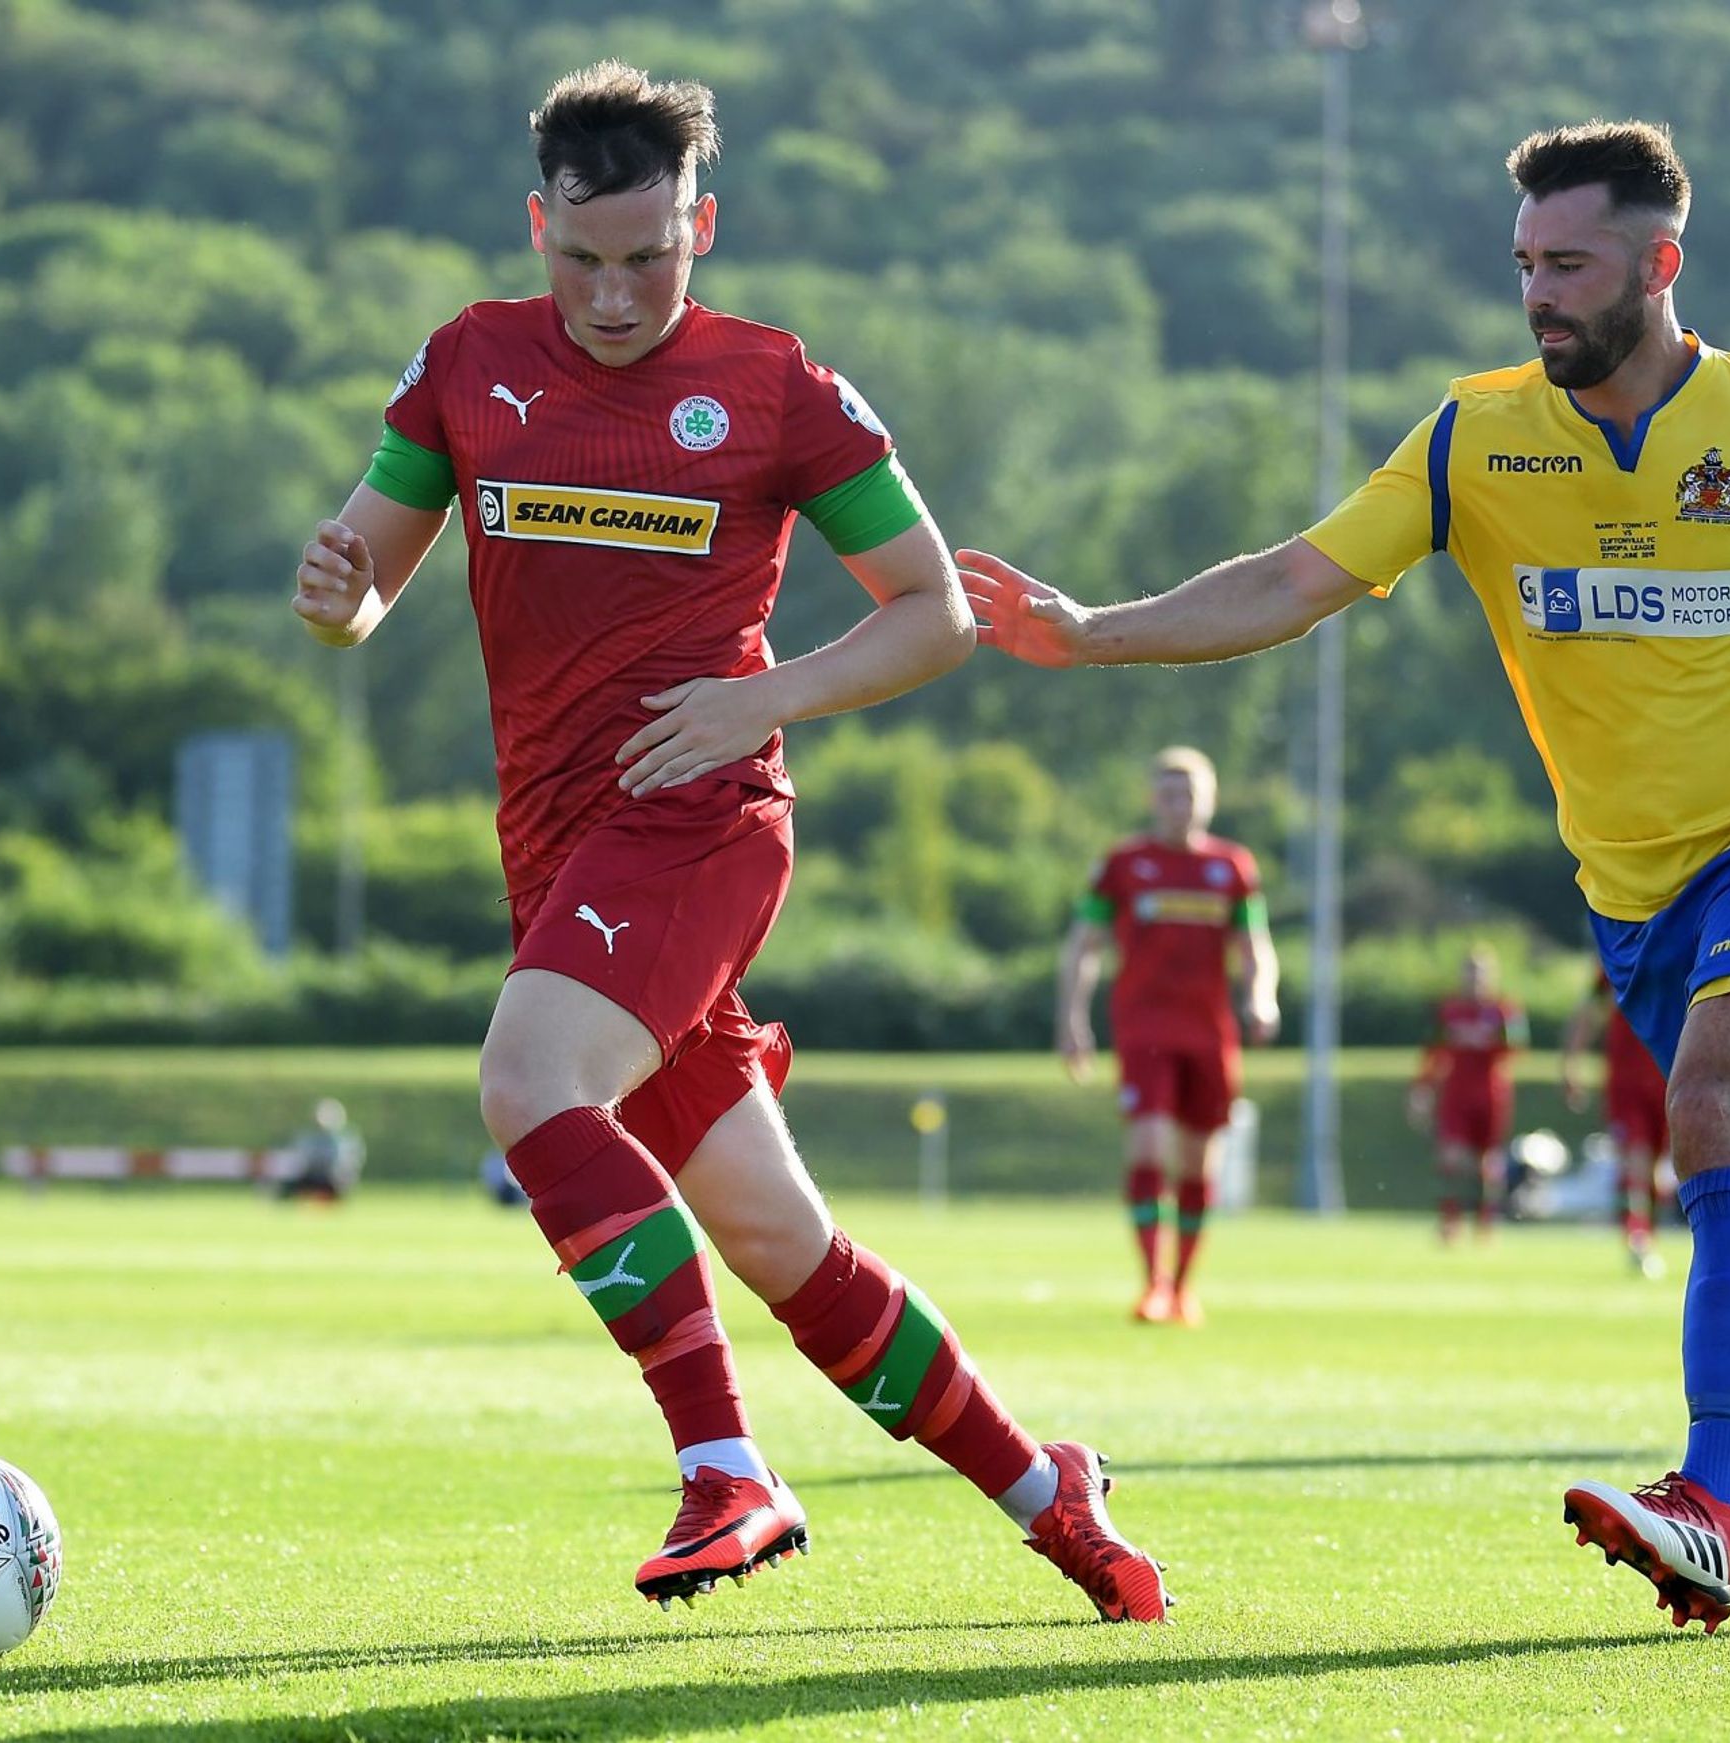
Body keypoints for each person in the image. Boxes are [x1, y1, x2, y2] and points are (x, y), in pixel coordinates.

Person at [957, 119, 1730, 1630]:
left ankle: (1710, 1506)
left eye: (1567, 265)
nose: (1537, 296)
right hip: (1635, 911)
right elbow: (1298, 576)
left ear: (1660, 265)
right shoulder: (1473, 435)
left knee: (1712, 1107)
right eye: (1523, 268)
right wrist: (1095, 628)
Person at [291, 62, 1164, 1621]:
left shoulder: (779, 388)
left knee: (527, 1081)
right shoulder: (466, 363)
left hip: (702, 820)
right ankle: (1058, 1497)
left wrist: (758, 694)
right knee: (782, 1240)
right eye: (583, 257)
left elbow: (938, 614)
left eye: (652, 255)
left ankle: (727, 1467)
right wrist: (340, 590)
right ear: (535, 222)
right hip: (555, 848)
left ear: (707, 222)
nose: (615, 292)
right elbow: (374, 577)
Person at [1056, 746, 1278, 1325]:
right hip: (1145, 1030)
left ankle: (1182, 1288)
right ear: (1153, 799)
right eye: (1169, 792)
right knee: (1151, 1149)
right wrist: (1072, 1017)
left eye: (1190, 793)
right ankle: (1152, 1283)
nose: (1179, 804)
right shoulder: (1123, 865)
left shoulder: (1233, 868)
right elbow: (1084, 944)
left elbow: (1255, 945)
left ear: (1209, 801)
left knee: (1199, 1169)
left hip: (1209, 1034)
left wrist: (1261, 995)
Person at [1410, 945, 1528, 1243]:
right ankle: (1450, 1222)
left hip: (1492, 1096)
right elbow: (1431, 1054)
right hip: (1456, 1095)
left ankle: (1486, 1224)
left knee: (1487, 1163)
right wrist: (1421, 1090)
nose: (1475, 980)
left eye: (1481, 973)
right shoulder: (1449, 1011)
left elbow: (1516, 1048)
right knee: (1451, 1157)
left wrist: (1485, 1039)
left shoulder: (1504, 1010)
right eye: (1470, 972)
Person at [1565, 968, 1670, 1276]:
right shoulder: (1618, 953)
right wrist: (1572, 1061)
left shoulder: (1683, 947)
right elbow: (1590, 1012)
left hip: (1667, 1078)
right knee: (1633, 1162)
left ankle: (1648, 1238)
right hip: (1626, 1085)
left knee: (1654, 1172)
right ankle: (1635, 1240)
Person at [282, 1098, 365, 1202]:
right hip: (311, 1175)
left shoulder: (345, 1138)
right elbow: (300, 1157)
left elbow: (347, 1163)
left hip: (332, 1178)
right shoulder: (308, 1136)